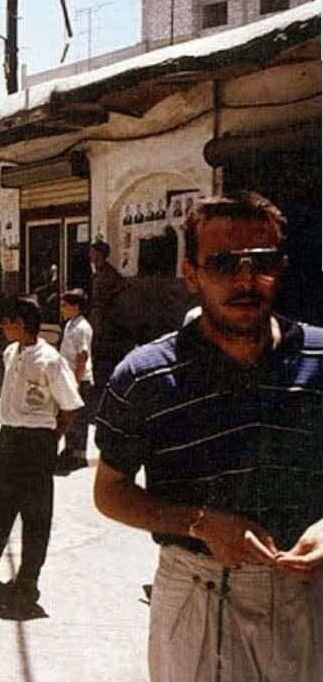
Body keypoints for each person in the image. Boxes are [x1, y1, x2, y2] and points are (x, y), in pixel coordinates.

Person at [92, 192, 322, 682]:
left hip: (311, 593)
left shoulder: (319, 357)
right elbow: (109, 492)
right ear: (191, 274)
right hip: (198, 593)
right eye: (223, 264)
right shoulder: (145, 376)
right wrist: (200, 523)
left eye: (261, 262)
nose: (245, 279)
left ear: (280, 269)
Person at [0, 296, 84, 612]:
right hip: (8, 437)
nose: (2, 326)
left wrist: (50, 440)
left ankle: (27, 582)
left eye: (8, 321)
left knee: (35, 515)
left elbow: (70, 406)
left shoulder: (49, 360)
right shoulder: (11, 352)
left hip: (36, 441)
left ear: (22, 324)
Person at [56, 288, 94, 475]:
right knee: (69, 418)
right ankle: (70, 451)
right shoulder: (71, 324)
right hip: (69, 377)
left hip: (79, 380)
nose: (62, 309)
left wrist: (77, 383)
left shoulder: (82, 328)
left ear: (76, 307)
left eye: (65, 305)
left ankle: (78, 456)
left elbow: (82, 356)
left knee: (78, 420)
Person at [88, 239, 130, 390]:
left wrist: (108, 300)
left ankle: (104, 383)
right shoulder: (98, 271)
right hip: (97, 314)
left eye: (93, 252)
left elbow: (123, 285)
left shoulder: (108, 272)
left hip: (105, 317)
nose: (90, 255)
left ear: (99, 254)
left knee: (103, 350)